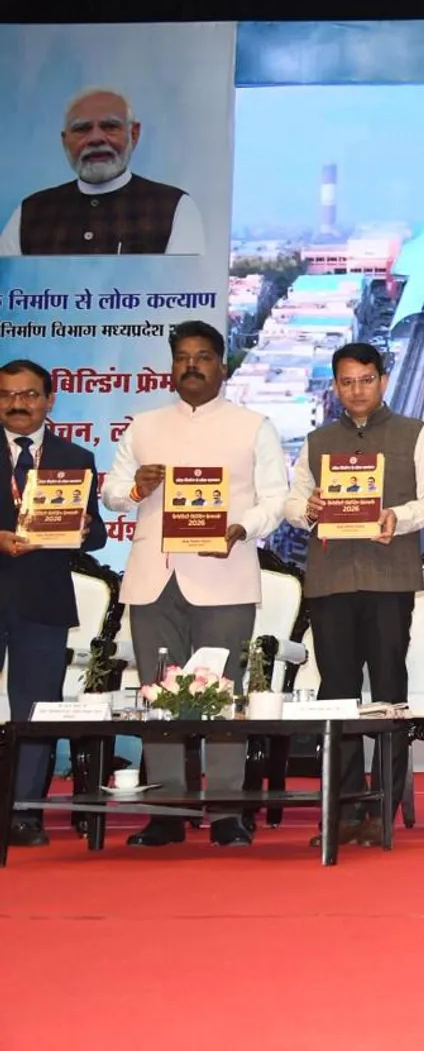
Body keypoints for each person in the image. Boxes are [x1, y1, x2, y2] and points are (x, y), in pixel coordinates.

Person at [103, 321, 288, 848]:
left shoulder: (254, 425)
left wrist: (240, 529)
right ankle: (166, 810)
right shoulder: (143, 425)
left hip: (224, 574)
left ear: (221, 366)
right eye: (182, 357)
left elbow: (274, 498)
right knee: (159, 697)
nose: (191, 366)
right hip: (153, 580)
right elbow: (113, 492)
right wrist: (133, 489)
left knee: (222, 696)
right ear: (171, 365)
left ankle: (228, 811)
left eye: (203, 357)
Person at [284, 343, 424, 848]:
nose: (356, 390)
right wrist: (307, 510)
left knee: (388, 695)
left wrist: (399, 517)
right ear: (335, 386)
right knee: (336, 693)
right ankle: (345, 806)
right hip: (331, 579)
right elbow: (291, 503)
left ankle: (383, 808)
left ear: (382, 380)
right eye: (346, 381)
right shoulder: (317, 441)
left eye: (366, 379)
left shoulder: (415, 435)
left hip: (388, 578)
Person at [0, 359, 107, 847]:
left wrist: (84, 529)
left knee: (35, 711)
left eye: (28, 394)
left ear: (49, 399)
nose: (17, 403)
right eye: (6, 395)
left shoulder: (75, 456)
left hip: (42, 599)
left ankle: (24, 812)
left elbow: (98, 534)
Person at [0, 87, 204, 257]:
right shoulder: (31, 212)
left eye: (109, 126)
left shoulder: (174, 207)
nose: (95, 138)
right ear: (65, 141)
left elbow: (185, 294)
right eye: (82, 129)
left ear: (134, 134)